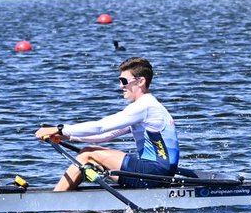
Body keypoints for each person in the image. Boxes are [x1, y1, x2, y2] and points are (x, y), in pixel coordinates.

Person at [34, 57, 178, 191]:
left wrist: (59, 128)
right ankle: (63, 194)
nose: (120, 86)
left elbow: (100, 126)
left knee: (87, 154)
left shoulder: (144, 106)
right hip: (160, 173)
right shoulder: (149, 106)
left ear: (140, 81)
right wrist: (68, 137)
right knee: (90, 152)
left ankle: (55, 199)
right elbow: (106, 135)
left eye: (123, 81)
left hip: (154, 173)